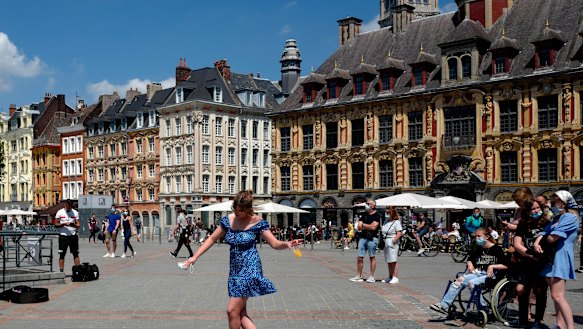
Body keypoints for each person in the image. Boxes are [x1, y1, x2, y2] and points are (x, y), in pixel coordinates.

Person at [179, 190, 302, 329]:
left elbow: (274, 243)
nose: (237, 213)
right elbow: (212, 238)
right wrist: (194, 257)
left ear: (249, 209)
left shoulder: (257, 222)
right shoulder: (229, 220)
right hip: (235, 270)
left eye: (241, 211)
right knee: (240, 313)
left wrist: (287, 244)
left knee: (231, 310)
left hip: (250, 268)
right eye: (236, 209)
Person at [430, 228, 509, 314]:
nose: (477, 238)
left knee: (472, 283)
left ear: (486, 237)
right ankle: (444, 305)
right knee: (459, 281)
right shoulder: (478, 248)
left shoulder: (496, 249)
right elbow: (470, 258)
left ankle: (483, 308)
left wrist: (492, 266)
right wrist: (470, 263)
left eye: (479, 236)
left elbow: (506, 265)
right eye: (476, 236)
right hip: (478, 273)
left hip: (491, 276)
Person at [534, 190, 580, 329]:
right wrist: (537, 242)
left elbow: (552, 237)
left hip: (560, 256)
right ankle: (559, 325)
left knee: (557, 296)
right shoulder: (557, 218)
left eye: (555, 201)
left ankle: (570, 327)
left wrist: (545, 238)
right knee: (556, 297)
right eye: (552, 201)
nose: (553, 204)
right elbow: (544, 232)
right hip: (551, 257)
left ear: (565, 202)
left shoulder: (569, 218)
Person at [513, 199, 548, 328]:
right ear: (527, 211)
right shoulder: (523, 224)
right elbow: (516, 243)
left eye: (538, 208)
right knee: (520, 289)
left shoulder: (546, 222)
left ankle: (538, 320)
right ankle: (523, 318)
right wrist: (528, 254)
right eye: (533, 209)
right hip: (527, 260)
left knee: (539, 291)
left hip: (542, 262)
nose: (536, 211)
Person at [349, 199, 381, 283]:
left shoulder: (377, 215)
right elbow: (358, 226)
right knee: (359, 257)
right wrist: (367, 226)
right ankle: (359, 275)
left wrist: (363, 225)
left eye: (368, 204)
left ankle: (372, 276)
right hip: (362, 238)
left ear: (372, 206)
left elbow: (374, 227)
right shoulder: (363, 214)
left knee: (372, 257)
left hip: (372, 238)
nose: (366, 205)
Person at [54, 199, 81, 273]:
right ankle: (61, 272)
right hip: (63, 236)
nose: (69, 209)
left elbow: (78, 225)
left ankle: (78, 271)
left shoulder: (75, 212)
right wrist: (63, 224)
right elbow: (56, 224)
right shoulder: (60, 212)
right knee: (62, 254)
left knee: (75, 253)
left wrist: (73, 225)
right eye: (68, 207)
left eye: (71, 207)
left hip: (73, 235)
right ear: (65, 205)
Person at [381, 207, 403, 284]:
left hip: (392, 241)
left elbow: (399, 233)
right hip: (386, 241)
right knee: (389, 260)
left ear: (392, 213)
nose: (386, 214)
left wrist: (394, 240)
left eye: (388, 213)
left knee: (393, 260)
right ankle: (390, 276)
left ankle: (395, 277)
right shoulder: (386, 221)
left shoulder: (396, 222)